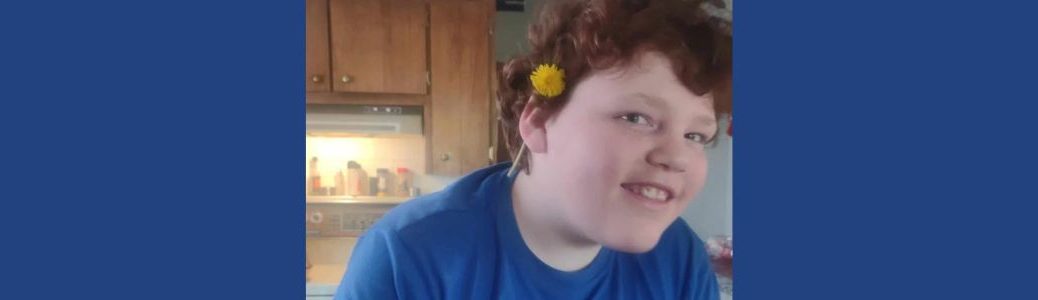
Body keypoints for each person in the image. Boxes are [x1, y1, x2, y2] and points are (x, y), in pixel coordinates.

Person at [335, 0, 731, 298]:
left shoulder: (680, 260)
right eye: (635, 117)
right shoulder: (411, 254)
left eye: (696, 136)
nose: (675, 156)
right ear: (539, 122)